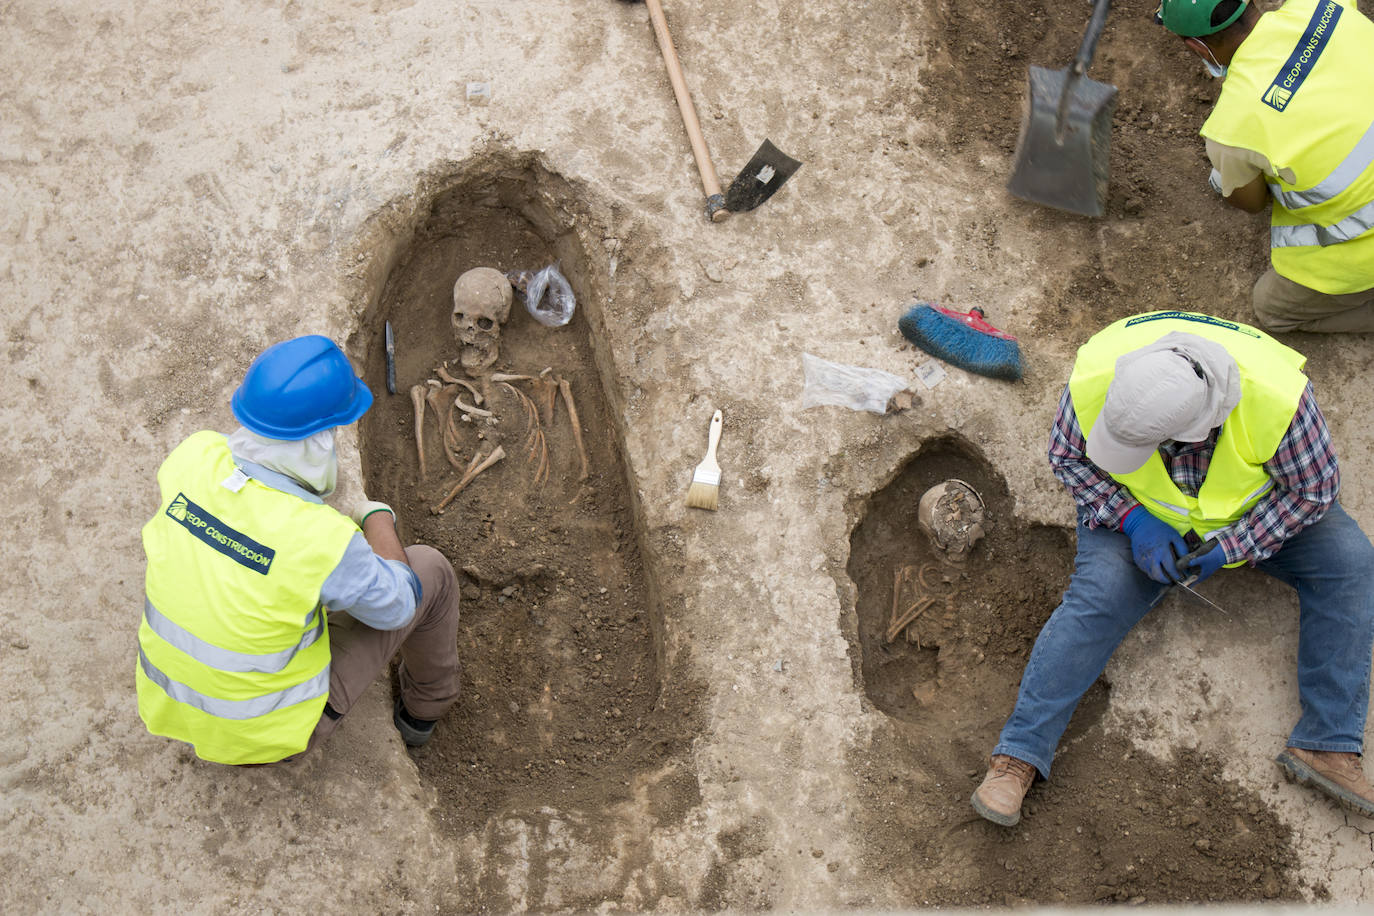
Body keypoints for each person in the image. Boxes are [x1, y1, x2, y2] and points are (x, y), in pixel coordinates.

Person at [971, 310, 1374, 826]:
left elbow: (1313, 490)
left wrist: (1236, 544)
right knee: (1098, 601)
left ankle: (1326, 743)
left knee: (1351, 566)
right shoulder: (1100, 377)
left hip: (1253, 512)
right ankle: (1018, 755)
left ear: (1196, 428)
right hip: (1140, 513)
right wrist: (1134, 520)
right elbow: (1068, 457)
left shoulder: (1278, 402)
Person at [137, 335, 461, 765]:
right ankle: (422, 713)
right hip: (267, 738)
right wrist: (376, 517)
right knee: (429, 570)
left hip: (171, 707)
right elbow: (400, 604)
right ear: (320, 441)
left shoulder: (191, 457)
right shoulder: (322, 539)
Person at [1158, 0, 1374, 333]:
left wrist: (1237, 162)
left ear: (1196, 46)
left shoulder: (1230, 128)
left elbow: (1252, 202)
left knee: (1270, 308)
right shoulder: (1320, 6)